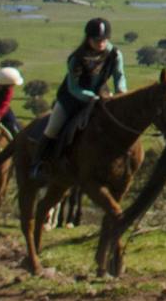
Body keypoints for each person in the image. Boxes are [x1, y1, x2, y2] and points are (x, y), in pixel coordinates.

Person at [32, 19, 126, 182]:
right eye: (97, 40)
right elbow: (74, 88)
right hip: (72, 99)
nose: (101, 43)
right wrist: (93, 98)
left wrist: (121, 93)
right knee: (53, 128)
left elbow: (120, 76)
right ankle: (38, 164)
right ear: (88, 38)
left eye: (104, 40)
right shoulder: (77, 58)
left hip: (101, 95)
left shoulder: (115, 54)